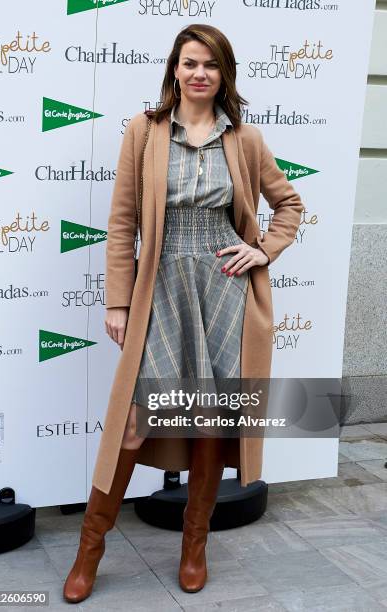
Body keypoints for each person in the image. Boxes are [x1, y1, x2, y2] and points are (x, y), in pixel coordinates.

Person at [63, 23, 304, 603]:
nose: (200, 73)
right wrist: (117, 301)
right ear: (174, 68)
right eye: (191, 62)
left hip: (224, 296)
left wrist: (262, 248)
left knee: (207, 427)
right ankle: (89, 551)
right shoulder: (142, 133)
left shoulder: (244, 138)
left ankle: (194, 547)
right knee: (132, 424)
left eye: (212, 65)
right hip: (160, 289)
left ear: (225, 74)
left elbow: (289, 204)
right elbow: (123, 223)